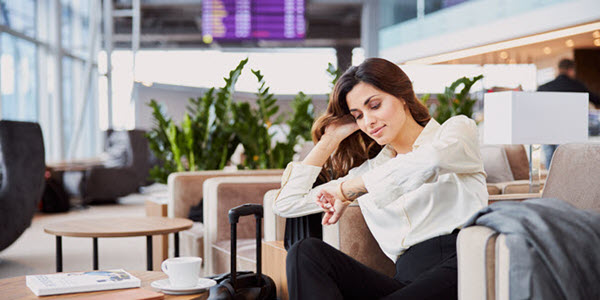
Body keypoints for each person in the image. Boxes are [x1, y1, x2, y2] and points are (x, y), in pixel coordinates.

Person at [272, 58, 487, 300]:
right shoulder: (367, 172)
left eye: (374, 106)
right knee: (305, 252)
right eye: (358, 116)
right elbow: (287, 204)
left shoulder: (455, 132)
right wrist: (330, 139)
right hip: (407, 281)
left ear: (403, 96)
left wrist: (351, 189)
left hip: (463, 265)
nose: (368, 122)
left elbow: (431, 161)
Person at [538, 58, 600, 169]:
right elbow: (596, 100)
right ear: (571, 70)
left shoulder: (544, 87)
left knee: (550, 160)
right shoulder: (577, 86)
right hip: (569, 129)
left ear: (559, 69)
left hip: (547, 129)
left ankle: (550, 183)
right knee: (566, 160)